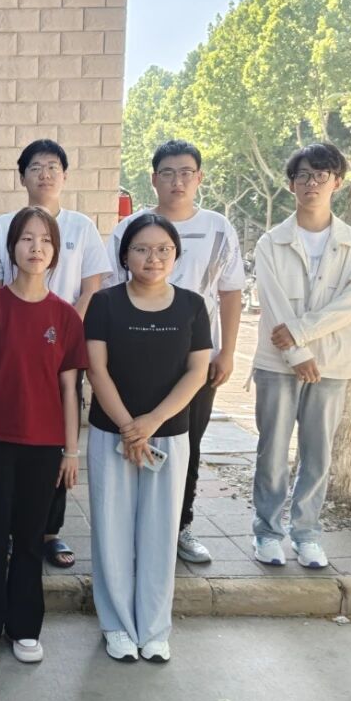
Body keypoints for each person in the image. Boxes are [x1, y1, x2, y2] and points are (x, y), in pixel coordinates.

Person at [105, 140, 245, 566]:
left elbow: (230, 292)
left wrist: (227, 352)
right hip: (134, 358)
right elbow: (111, 292)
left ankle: (179, 525)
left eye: (186, 172)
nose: (177, 181)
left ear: (199, 178)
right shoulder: (128, 228)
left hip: (195, 362)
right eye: (167, 172)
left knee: (188, 444)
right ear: (154, 179)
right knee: (130, 437)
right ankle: (129, 529)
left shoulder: (218, 228)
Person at [0, 206, 89, 664]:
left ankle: (25, 626)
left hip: (44, 446)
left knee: (31, 538)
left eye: (46, 240)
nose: (37, 248)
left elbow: (70, 390)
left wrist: (71, 451)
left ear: (55, 252)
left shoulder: (66, 317)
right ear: (11, 248)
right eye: (27, 239)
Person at [0, 139, 111, 570]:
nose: (45, 174)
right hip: (13, 350)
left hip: (61, 346)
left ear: (64, 175)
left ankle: (48, 532)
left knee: (56, 438)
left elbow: (92, 286)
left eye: (53, 166)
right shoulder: (2, 227)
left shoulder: (81, 227)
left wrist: (64, 330)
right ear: (22, 177)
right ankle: (9, 532)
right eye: (35, 167)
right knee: (10, 437)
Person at [87, 213, 212, 664]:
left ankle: (155, 628)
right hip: (111, 434)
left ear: (176, 255)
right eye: (141, 249)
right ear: (125, 256)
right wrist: (128, 426)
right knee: (112, 531)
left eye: (163, 249)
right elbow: (96, 369)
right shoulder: (105, 303)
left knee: (160, 534)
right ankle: (117, 624)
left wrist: (152, 422)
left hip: (169, 436)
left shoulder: (192, 306)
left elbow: (197, 372)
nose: (152, 258)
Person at [251, 142, 351, 569]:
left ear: (337, 182)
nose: (311, 184)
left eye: (321, 175)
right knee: (272, 451)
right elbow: (272, 303)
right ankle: (267, 532)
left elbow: (349, 304)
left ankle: (306, 534)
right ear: (291, 184)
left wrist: (301, 335)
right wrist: (296, 353)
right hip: (276, 364)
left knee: (317, 453)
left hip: (332, 364)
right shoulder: (271, 242)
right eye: (303, 175)